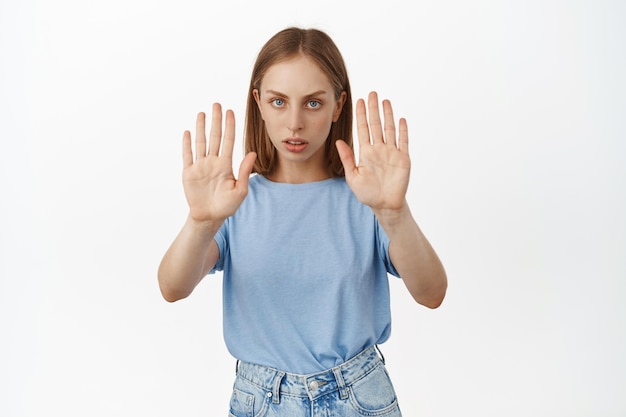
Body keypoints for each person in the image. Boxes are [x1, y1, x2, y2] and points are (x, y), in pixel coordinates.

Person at [158, 27, 447, 417]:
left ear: (338, 105)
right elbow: (172, 287)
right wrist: (200, 222)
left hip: (357, 398)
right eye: (279, 102)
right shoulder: (234, 200)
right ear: (258, 102)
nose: (294, 123)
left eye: (313, 103)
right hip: (261, 401)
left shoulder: (368, 197)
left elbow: (432, 293)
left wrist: (395, 214)